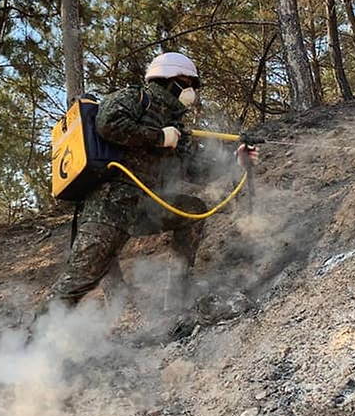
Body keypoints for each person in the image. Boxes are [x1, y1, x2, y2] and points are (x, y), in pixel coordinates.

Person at [46, 51, 257, 314]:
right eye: (188, 82)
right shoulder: (136, 98)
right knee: (79, 279)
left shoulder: (175, 123)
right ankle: (33, 345)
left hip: (144, 207)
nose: (192, 90)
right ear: (171, 78)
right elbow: (107, 123)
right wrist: (158, 138)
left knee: (193, 209)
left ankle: (177, 300)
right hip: (108, 207)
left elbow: (194, 170)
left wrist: (235, 160)